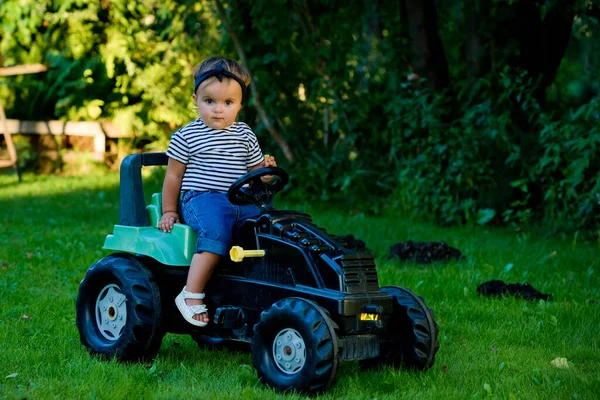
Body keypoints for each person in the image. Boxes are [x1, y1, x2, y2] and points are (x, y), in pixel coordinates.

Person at [158, 56, 276, 327]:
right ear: (195, 99)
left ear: (240, 105)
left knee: (267, 229)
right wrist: (169, 211)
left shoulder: (245, 134)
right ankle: (191, 294)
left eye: (228, 103)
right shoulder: (186, 136)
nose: (218, 110)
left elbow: (256, 174)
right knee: (216, 232)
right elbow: (173, 177)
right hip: (202, 199)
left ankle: (259, 289)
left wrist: (267, 172)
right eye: (209, 101)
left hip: (240, 199)